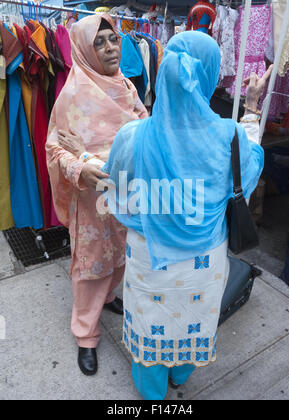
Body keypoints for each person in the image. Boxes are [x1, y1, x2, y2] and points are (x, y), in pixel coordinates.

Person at [99, 31, 272, 399]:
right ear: (208, 77)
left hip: (149, 258)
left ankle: (152, 393)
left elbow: (114, 192)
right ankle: (180, 375)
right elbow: (249, 172)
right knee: (193, 322)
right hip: (205, 262)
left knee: (149, 324)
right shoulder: (229, 138)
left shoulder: (131, 136)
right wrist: (253, 107)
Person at [46, 14, 148, 376]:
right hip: (91, 202)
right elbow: (55, 148)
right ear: (85, 50)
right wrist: (78, 168)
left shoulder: (127, 86)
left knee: (121, 255)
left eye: (113, 39)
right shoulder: (72, 93)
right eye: (99, 43)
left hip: (125, 195)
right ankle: (86, 336)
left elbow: (143, 127)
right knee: (90, 266)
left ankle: (109, 298)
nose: (110, 48)